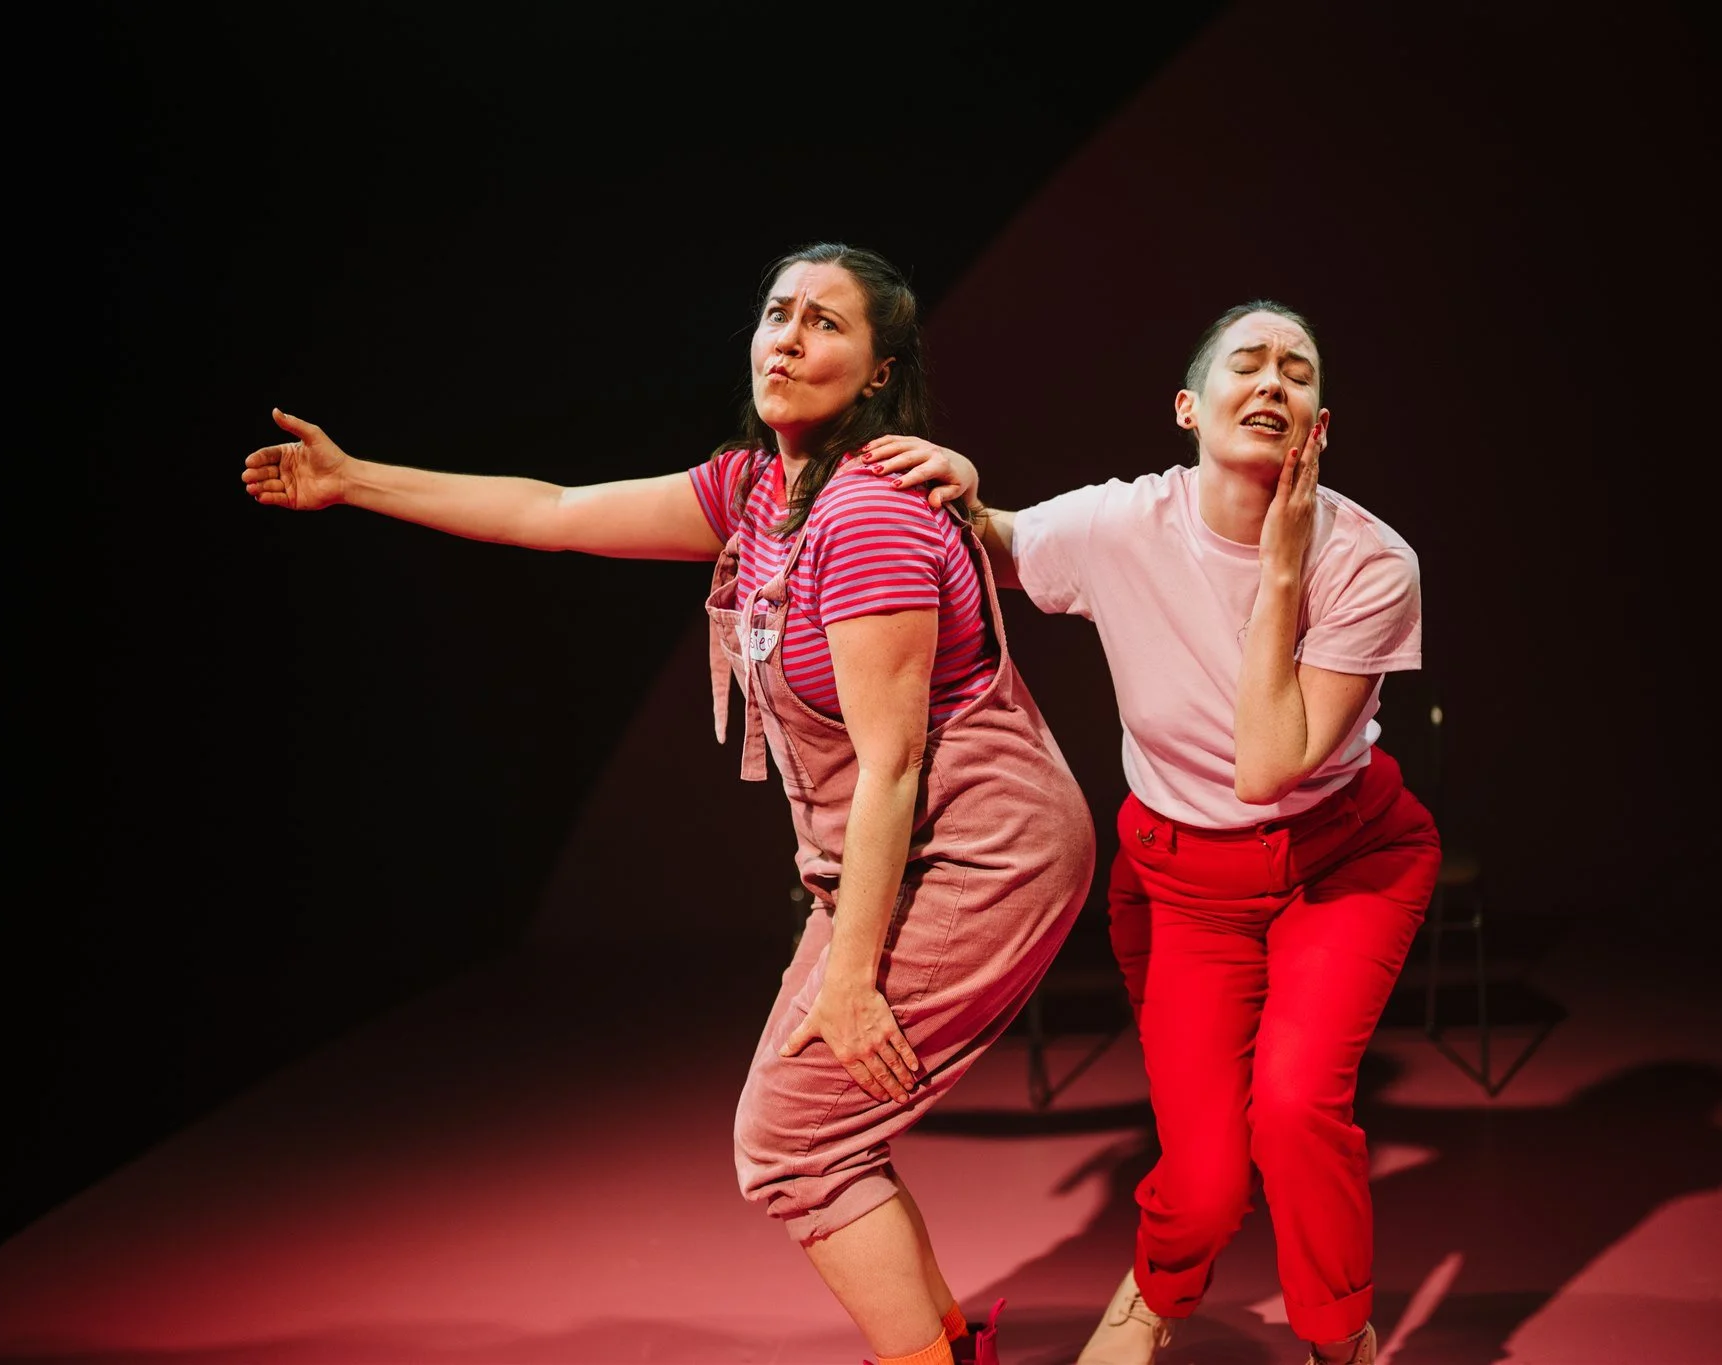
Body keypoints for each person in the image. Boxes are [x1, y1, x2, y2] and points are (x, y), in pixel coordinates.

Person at [239, 242, 1095, 1365]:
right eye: (775, 312)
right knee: (812, 1138)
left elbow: (891, 767)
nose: (786, 337)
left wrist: (847, 979)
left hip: (980, 852)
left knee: (789, 1141)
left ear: (882, 372)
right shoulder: (756, 491)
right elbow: (545, 512)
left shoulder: (869, 518)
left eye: (825, 323)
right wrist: (357, 481)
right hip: (891, 851)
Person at [864, 301, 1441, 1365]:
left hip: (1345, 863)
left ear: (1319, 424)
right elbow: (998, 542)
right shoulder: (1121, 524)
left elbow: (1266, 763)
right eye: (1247, 364)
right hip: (1183, 886)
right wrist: (958, 495)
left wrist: (1278, 569)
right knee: (1209, 1172)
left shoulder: (1367, 560)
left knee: (1296, 1111)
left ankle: (1337, 1338)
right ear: (1187, 407)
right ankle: (1157, 1286)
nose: (1272, 381)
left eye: (1297, 371)